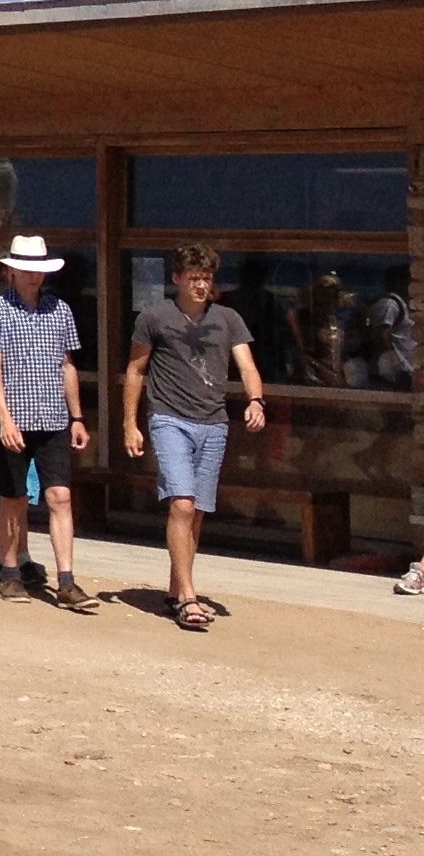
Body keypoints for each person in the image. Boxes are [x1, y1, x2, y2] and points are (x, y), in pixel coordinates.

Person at [124, 246, 265, 632]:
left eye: (207, 278)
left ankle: (175, 588)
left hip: (213, 422)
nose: (201, 284)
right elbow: (136, 371)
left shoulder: (228, 319)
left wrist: (256, 400)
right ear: (177, 279)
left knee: (197, 511)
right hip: (169, 419)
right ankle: (188, 596)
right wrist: (129, 423)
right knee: (182, 504)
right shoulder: (155, 317)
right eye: (194, 278)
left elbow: (248, 365)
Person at [0, 235, 95, 612]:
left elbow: (67, 365)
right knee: (14, 498)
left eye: (38, 271)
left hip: (54, 417)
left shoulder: (59, 309)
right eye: (27, 270)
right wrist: (3, 418)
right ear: (12, 271)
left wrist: (77, 416)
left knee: (60, 495)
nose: (33, 277)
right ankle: (10, 572)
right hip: (15, 419)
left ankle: (67, 580)